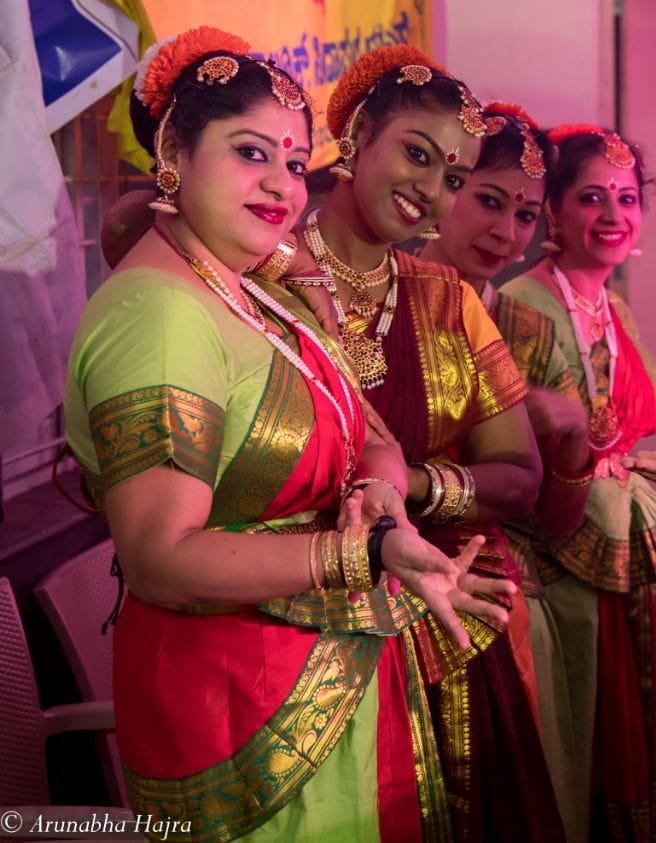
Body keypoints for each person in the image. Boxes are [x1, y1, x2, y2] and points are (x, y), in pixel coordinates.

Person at [63, 28, 511, 840]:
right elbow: (160, 559)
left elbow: (368, 430)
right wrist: (364, 554)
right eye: (250, 153)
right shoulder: (159, 313)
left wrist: (379, 496)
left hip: (319, 677)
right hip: (236, 716)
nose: (280, 184)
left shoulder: (253, 291)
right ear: (174, 153)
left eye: (296, 163)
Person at [290, 45, 563, 841]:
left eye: (451, 176)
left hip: (447, 623)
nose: (430, 190)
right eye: (417, 154)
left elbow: (520, 478)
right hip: (300, 625)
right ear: (355, 135)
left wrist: (414, 484)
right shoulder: (265, 278)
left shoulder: (447, 300)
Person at [500, 124, 656, 841]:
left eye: (627, 197)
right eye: (591, 197)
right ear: (553, 211)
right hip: (560, 562)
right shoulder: (523, 305)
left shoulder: (613, 307)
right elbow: (528, 457)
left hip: (623, 555)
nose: (613, 214)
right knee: (585, 741)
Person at [417, 100, 592, 833]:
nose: (506, 233)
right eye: (488, 200)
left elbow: (559, 519)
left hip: (511, 596)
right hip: (394, 591)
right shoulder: (377, 306)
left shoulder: (528, 328)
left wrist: (573, 434)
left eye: (524, 215)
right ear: (444, 185)